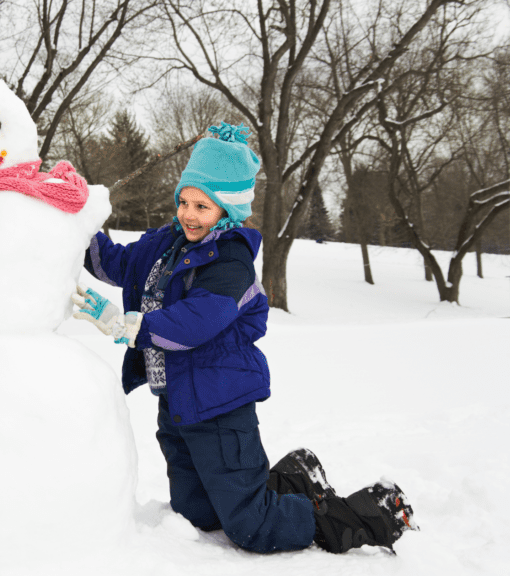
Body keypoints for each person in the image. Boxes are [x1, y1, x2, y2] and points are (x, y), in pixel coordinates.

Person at [71, 122, 418, 554]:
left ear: (228, 210)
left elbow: (199, 320)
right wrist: (72, 217)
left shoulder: (230, 258)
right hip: (177, 404)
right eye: (184, 201)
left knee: (250, 525)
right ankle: (291, 479)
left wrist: (129, 325)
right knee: (197, 513)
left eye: (203, 205)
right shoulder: (167, 244)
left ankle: (362, 517)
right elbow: (116, 264)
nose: (189, 213)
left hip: (220, 404)